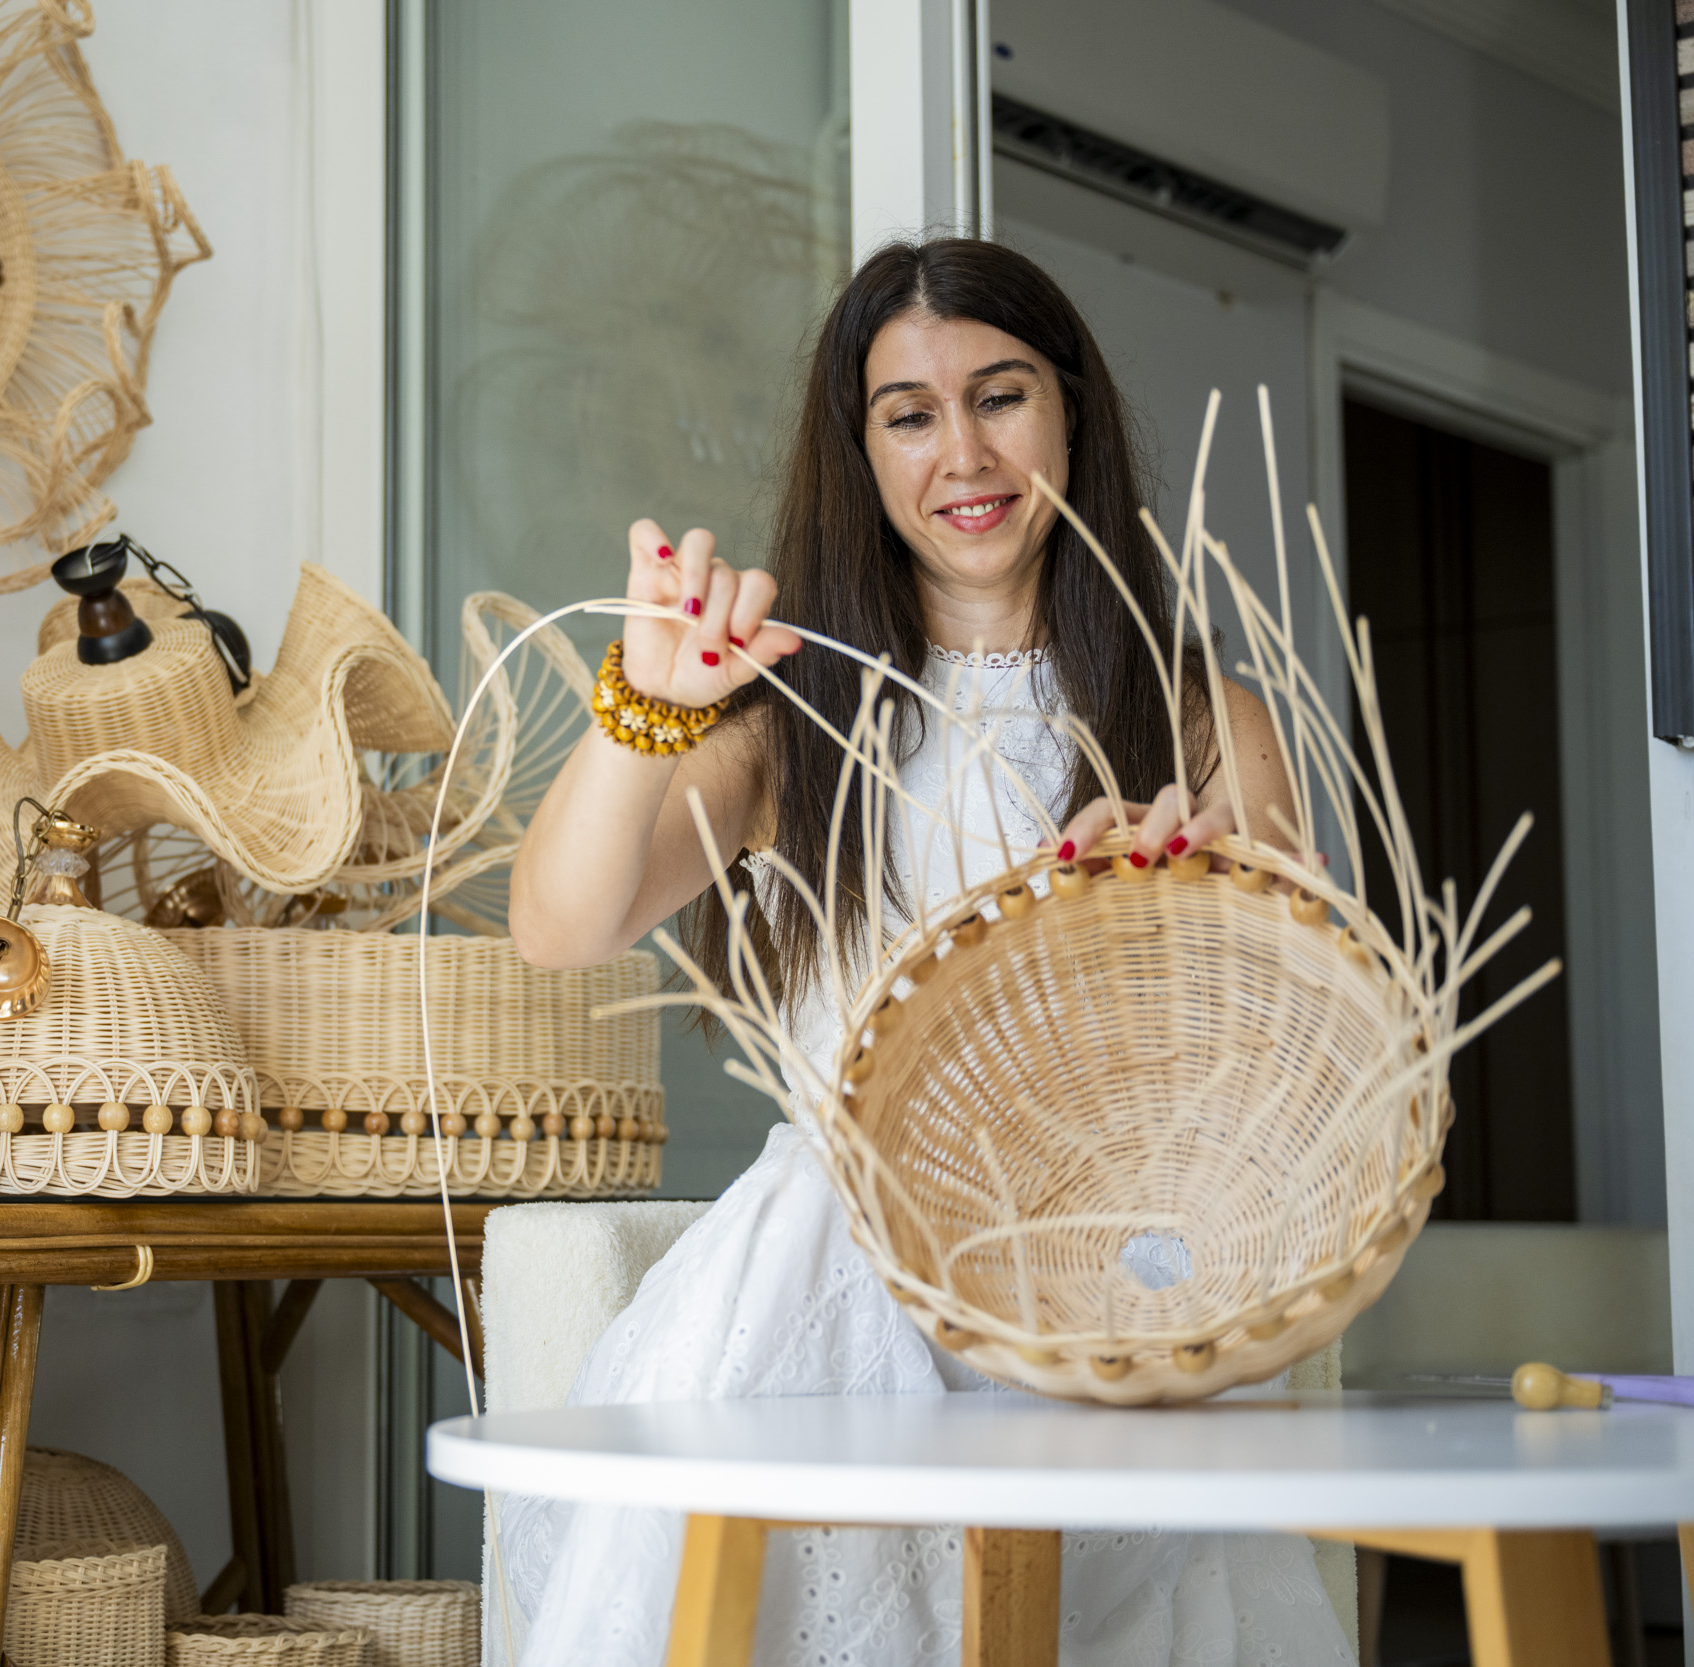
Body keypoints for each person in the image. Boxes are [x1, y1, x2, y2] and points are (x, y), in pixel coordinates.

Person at [499, 239, 1351, 1666]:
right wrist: (642, 706)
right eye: (909, 413)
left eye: (1002, 395)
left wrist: (1185, 930)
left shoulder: (1211, 719)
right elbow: (556, 930)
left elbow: (1284, 1071)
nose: (964, 449)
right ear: (864, 452)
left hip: (1111, 1281)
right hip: (833, 1282)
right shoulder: (790, 721)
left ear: (1071, 413)